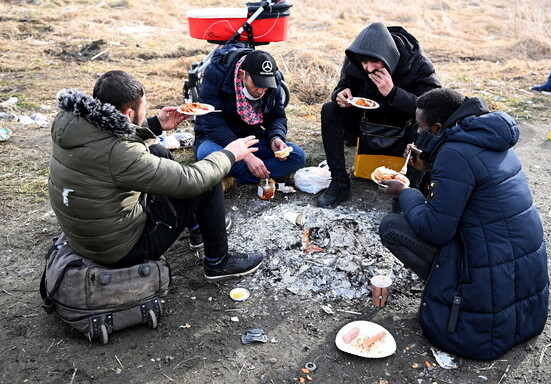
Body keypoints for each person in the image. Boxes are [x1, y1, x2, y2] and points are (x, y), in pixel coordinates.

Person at [377, 88, 549, 360]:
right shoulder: (488, 135)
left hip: (488, 278)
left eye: (424, 130)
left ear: (437, 127)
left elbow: (435, 228)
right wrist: (429, 163)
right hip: (517, 266)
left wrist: (406, 193)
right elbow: (469, 181)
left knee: (391, 226)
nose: (421, 135)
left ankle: (446, 287)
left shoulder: (454, 154)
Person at [48, 70, 263, 282]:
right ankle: (219, 263)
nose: (146, 110)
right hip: (120, 251)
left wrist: (156, 125)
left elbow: (108, 142)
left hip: (89, 237)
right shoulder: (120, 153)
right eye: (143, 106)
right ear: (128, 114)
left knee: (158, 152)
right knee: (207, 179)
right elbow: (189, 180)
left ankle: (197, 226)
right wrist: (230, 155)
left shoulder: (72, 125)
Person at [316, 22, 441, 208]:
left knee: (426, 129)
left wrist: (392, 92)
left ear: (388, 56)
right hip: (366, 119)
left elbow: (433, 107)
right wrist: (341, 94)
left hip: (404, 125)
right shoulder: (356, 62)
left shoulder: (417, 64)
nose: (368, 68)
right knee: (330, 109)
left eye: (374, 61)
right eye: (364, 62)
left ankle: (407, 193)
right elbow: (344, 84)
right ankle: (340, 183)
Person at [194, 45, 306, 188]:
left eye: (265, 85)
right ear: (242, 74)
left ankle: (233, 180)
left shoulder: (274, 80)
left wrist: (275, 138)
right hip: (217, 139)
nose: (260, 91)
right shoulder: (217, 74)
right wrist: (247, 157)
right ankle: (267, 170)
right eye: (256, 84)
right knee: (206, 153)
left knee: (297, 156)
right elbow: (212, 123)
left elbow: (277, 117)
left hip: (252, 138)